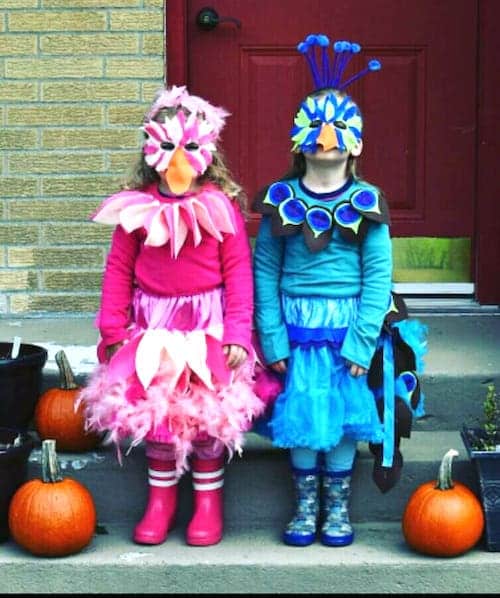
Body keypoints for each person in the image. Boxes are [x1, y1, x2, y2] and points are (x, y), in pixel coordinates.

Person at [252, 35, 427, 548]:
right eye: (315, 122)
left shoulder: (368, 203)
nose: (325, 134)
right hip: (296, 329)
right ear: (297, 137)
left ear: (355, 142)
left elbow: (378, 278)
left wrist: (362, 338)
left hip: (347, 329)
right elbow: (265, 267)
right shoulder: (280, 200)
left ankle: (337, 507)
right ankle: (305, 505)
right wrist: (272, 334)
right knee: (305, 413)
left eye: (337, 125)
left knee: (346, 420)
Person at [77, 85, 266, 547]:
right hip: (152, 330)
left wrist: (239, 332)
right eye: (167, 145)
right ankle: (160, 502)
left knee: (205, 419)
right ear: (151, 147)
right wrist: (112, 329)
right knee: (160, 418)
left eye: (189, 146)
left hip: (209, 328)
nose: (178, 157)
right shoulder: (135, 210)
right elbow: (119, 270)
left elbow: (239, 270)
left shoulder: (220, 208)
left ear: (207, 149)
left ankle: (207, 504)